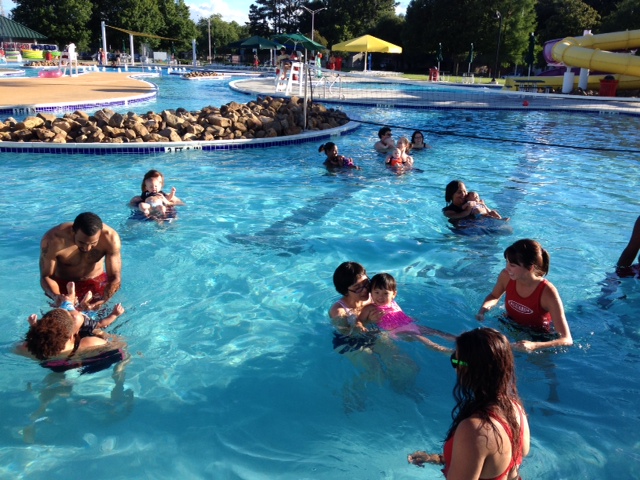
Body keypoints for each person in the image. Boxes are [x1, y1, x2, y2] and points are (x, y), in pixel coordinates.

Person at [407, 328, 530, 480]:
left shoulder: (475, 429)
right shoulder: (516, 409)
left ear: (467, 369)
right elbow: (490, 459)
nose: (455, 366)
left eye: (455, 360)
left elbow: (481, 446)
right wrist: (435, 458)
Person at [476, 239, 573, 352]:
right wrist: (482, 311)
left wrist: (534, 346)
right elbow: (494, 296)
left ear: (530, 267)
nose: (507, 268)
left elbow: (567, 339)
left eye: (512, 265)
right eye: (506, 262)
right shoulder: (506, 276)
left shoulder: (548, 293)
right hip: (508, 322)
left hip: (537, 335)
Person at [40, 212, 121, 309]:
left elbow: (114, 277)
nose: (87, 248)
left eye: (93, 243)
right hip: (63, 286)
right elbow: (47, 276)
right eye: (81, 242)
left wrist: (103, 301)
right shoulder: (53, 240)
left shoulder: (110, 238)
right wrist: (57, 296)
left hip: (96, 282)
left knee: (103, 321)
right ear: (73, 231)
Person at [357, 273, 454, 353]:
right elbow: (360, 320)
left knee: (434, 331)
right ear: (371, 293)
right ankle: (441, 349)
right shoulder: (369, 308)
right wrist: (361, 326)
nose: (380, 297)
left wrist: (410, 318)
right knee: (419, 337)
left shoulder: (392, 303)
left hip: (410, 325)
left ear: (394, 294)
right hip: (397, 332)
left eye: (385, 293)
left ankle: (457, 339)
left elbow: (397, 315)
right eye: (376, 292)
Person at [28, 281, 125, 337]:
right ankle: (82, 302)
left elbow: (43, 330)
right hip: (84, 315)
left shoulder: (56, 323)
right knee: (89, 311)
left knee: (65, 303)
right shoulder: (86, 325)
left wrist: (34, 325)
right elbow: (102, 323)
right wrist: (114, 314)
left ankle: (71, 296)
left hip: (63, 313)